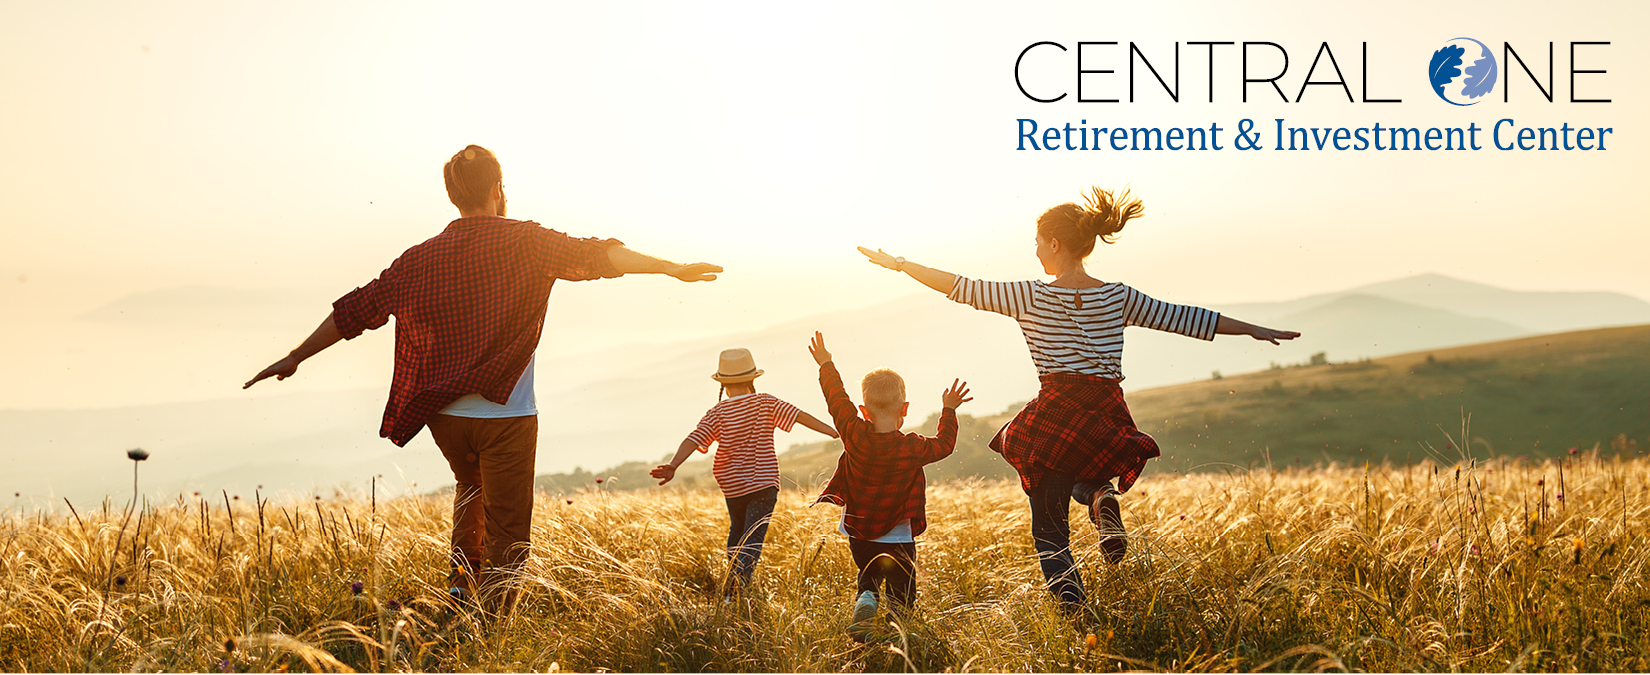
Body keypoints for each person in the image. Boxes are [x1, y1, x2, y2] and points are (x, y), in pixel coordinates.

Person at [243, 145, 722, 616]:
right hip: (506, 417)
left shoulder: (418, 259)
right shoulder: (527, 241)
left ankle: (458, 594)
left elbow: (357, 310)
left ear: (454, 196)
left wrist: (294, 356)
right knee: (509, 532)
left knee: (469, 490)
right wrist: (671, 268)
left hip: (445, 419)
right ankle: (490, 629)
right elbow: (599, 256)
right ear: (498, 190)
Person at [855, 187, 1299, 617]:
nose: (1034, 251)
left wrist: (899, 265)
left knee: (1048, 526)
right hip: (1106, 408)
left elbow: (959, 286)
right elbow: (1185, 317)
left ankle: (1076, 612)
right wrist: (1254, 329)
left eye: (1036, 243)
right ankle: (1101, 494)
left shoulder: (1029, 295)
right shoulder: (1118, 296)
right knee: (1080, 472)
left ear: (1054, 242)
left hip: (1057, 408)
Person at [805, 331, 966, 639]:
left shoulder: (853, 433)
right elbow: (945, 444)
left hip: (859, 530)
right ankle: (897, 635)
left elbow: (836, 399)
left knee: (869, 576)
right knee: (902, 592)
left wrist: (826, 364)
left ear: (864, 410)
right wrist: (949, 410)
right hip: (898, 535)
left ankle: (866, 597)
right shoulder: (912, 447)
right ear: (904, 409)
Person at [650, 348, 838, 594]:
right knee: (753, 536)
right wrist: (834, 431)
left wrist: (674, 465)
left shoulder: (716, 413)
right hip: (763, 483)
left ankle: (732, 585)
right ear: (752, 379)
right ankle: (738, 587)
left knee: (737, 532)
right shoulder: (765, 402)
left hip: (732, 485)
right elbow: (800, 416)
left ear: (723, 384)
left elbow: (693, 439)